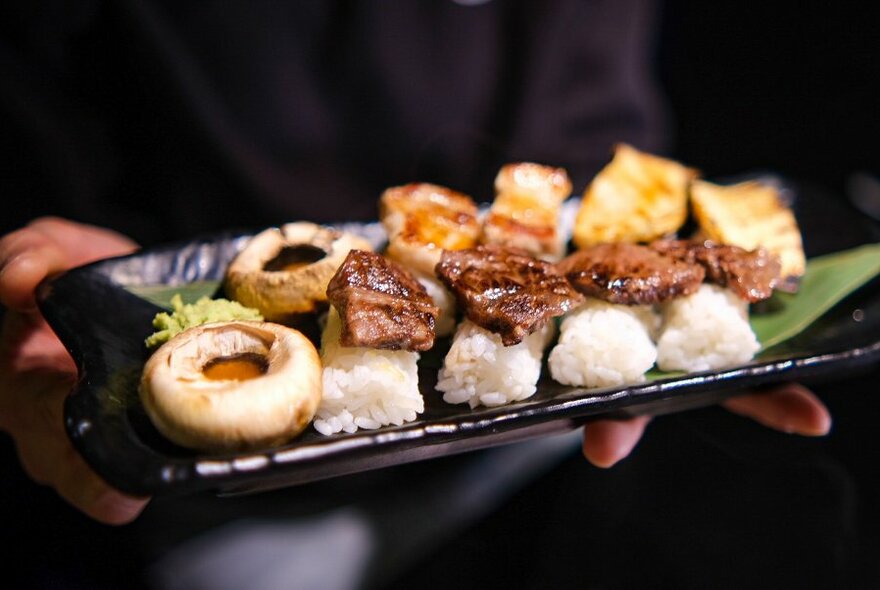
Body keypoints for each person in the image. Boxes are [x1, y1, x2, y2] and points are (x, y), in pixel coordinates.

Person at [0, 1, 844, 588]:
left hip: (537, 451)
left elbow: (605, 133)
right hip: (242, 506)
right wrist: (69, 276)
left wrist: (652, 302)